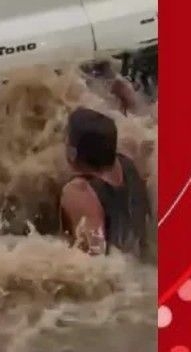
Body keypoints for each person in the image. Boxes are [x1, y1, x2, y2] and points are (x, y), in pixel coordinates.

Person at [59, 107, 152, 258]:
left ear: (72, 152)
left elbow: (94, 257)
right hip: (141, 256)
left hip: (121, 268)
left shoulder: (79, 191)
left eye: (67, 137)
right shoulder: (128, 165)